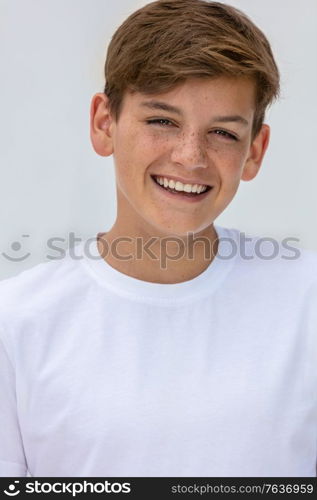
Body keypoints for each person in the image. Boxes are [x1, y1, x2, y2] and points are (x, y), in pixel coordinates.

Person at [0, 0, 316, 478]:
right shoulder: (16, 323)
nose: (190, 158)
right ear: (104, 123)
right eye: (162, 121)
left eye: (223, 133)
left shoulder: (307, 303)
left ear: (255, 151)